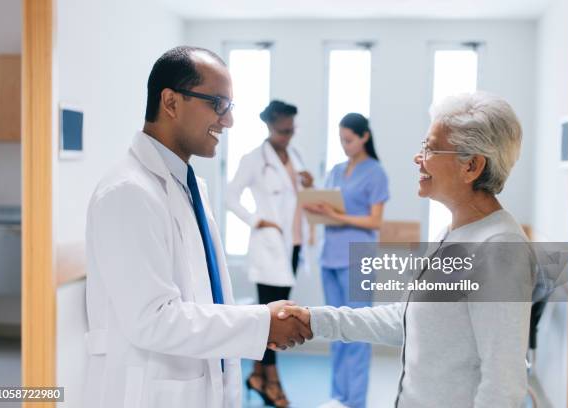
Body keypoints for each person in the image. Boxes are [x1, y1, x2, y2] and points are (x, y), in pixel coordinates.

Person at [83, 46, 312, 408]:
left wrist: (257, 323)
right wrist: (260, 323)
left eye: (229, 107)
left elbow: (203, 300)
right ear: (171, 102)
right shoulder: (127, 192)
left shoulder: (187, 185)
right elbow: (152, 319)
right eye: (218, 104)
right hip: (148, 393)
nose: (228, 121)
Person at [276, 92, 535, 408]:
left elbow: (503, 386)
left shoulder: (500, 250)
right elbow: (405, 320)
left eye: (430, 147)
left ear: (472, 166)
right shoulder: (452, 234)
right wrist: (315, 319)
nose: (418, 157)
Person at [226, 100, 313, 407]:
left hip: (293, 244)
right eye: (282, 130)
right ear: (269, 125)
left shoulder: (295, 156)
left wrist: (308, 184)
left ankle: (257, 375)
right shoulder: (254, 159)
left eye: (292, 130)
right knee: (274, 316)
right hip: (270, 246)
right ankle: (271, 379)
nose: (288, 136)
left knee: (277, 311)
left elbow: (300, 197)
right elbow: (230, 195)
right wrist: (255, 220)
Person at [305, 113, 389, 408]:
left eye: (349, 140)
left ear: (364, 136)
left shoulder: (376, 172)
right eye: (341, 140)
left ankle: (355, 402)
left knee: (358, 330)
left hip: (357, 259)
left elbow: (375, 221)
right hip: (330, 257)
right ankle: (338, 397)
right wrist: (318, 207)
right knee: (334, 329)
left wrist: (337, 216)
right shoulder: (337, 170)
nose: (344, 145)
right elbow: (326, 211)